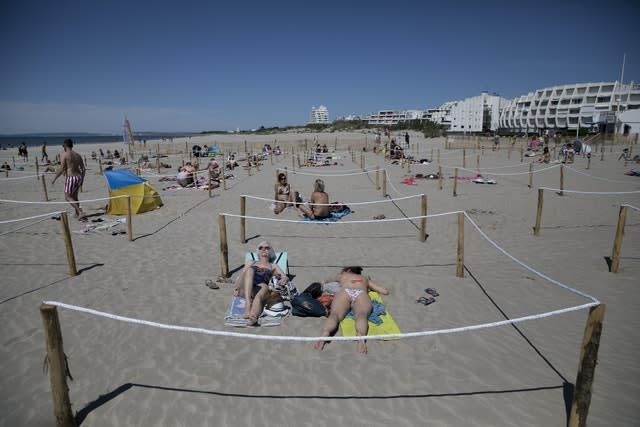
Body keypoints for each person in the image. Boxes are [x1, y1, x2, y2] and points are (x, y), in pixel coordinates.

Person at [314, 266, 389, 353]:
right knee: (362, 315)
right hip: (361, 293)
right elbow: (384, 291)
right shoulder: (364, 278)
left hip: (345, 292)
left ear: (348, 270)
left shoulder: (343, 276)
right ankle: (361, 341)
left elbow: (327, 280)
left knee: (335, 315)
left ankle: (324, 334)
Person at [235, 241, 289, 326]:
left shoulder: (273, 265)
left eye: (267, 248)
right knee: (249, 270)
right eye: (261, 247)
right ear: (258, 251)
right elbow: (238, 285)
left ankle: (253, 317)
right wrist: (245, 268)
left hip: (260, 288)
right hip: (245, 289)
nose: (263, 249)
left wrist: (284, 279)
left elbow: (285, 277)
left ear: (270, 251)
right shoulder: (252, 262)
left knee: (262, 289)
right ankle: (248, 305)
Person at [51, 139, 86, 219]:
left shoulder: (65, 155)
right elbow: (83, 169)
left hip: (71, 177)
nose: (63, 147)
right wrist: (82, 180)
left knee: (67, 197)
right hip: (79, 177)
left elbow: (61, 169)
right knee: (74, 197)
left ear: (65, 145)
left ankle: (80, 212)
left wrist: (54, 178)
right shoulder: (78, 155)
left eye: (63, 146)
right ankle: (77, 213)